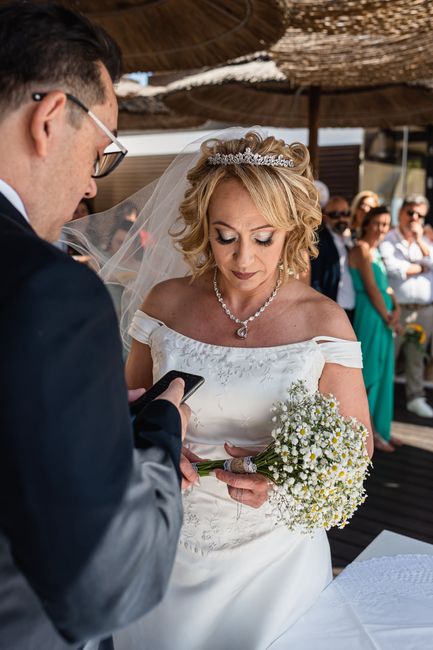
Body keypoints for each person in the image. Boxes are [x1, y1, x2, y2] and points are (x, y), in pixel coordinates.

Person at [70, 128, 373, 649]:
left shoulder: (323, 321)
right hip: (168, 542)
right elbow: (127, 413)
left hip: (275, 559)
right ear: (203, 229)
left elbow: (358, 448)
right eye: (224, 235)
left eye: (264, 237)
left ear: (291, 230)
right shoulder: (164, 304)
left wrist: (283, 483)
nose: (243, 258)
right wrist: (156, 443)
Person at [0, 4, 189, 649]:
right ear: (50, 119)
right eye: (101, 152)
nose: (89, 188)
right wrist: (159, 434)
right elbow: (113, 581)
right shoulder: (45, 289)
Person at [349, 206, 400, 452]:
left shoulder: (377, 251)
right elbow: (371, 288)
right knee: (370, 373)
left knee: (384, 369)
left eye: (386, 224)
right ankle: (365, 436)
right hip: (371, 315)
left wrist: (396, 307)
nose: (381, 228)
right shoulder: (361, 249)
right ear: (367, 223)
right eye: (377, 223)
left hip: (383, 316)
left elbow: (386, 287)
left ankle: (382, 429)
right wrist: (388, 316)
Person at [380, 194, 433, 418]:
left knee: (416, 357)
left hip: (423, 311)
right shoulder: (388, 238)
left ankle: (415, 397)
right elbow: (393, 268)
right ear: (401, 212)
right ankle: (382, 403)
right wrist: (422, 267)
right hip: (398, 310)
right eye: (410, 212)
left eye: (419, 215)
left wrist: (420, 243)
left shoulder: (426, 242)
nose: (414, 218)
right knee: (389, 357)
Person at [310, 195, 356, 322]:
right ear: (325, 217)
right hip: (331, 309)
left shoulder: (352, 239)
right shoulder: (318, 241)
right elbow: (315, 280)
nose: (341, 219)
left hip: (353, 308)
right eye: (335, 215)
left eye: (345, 213)